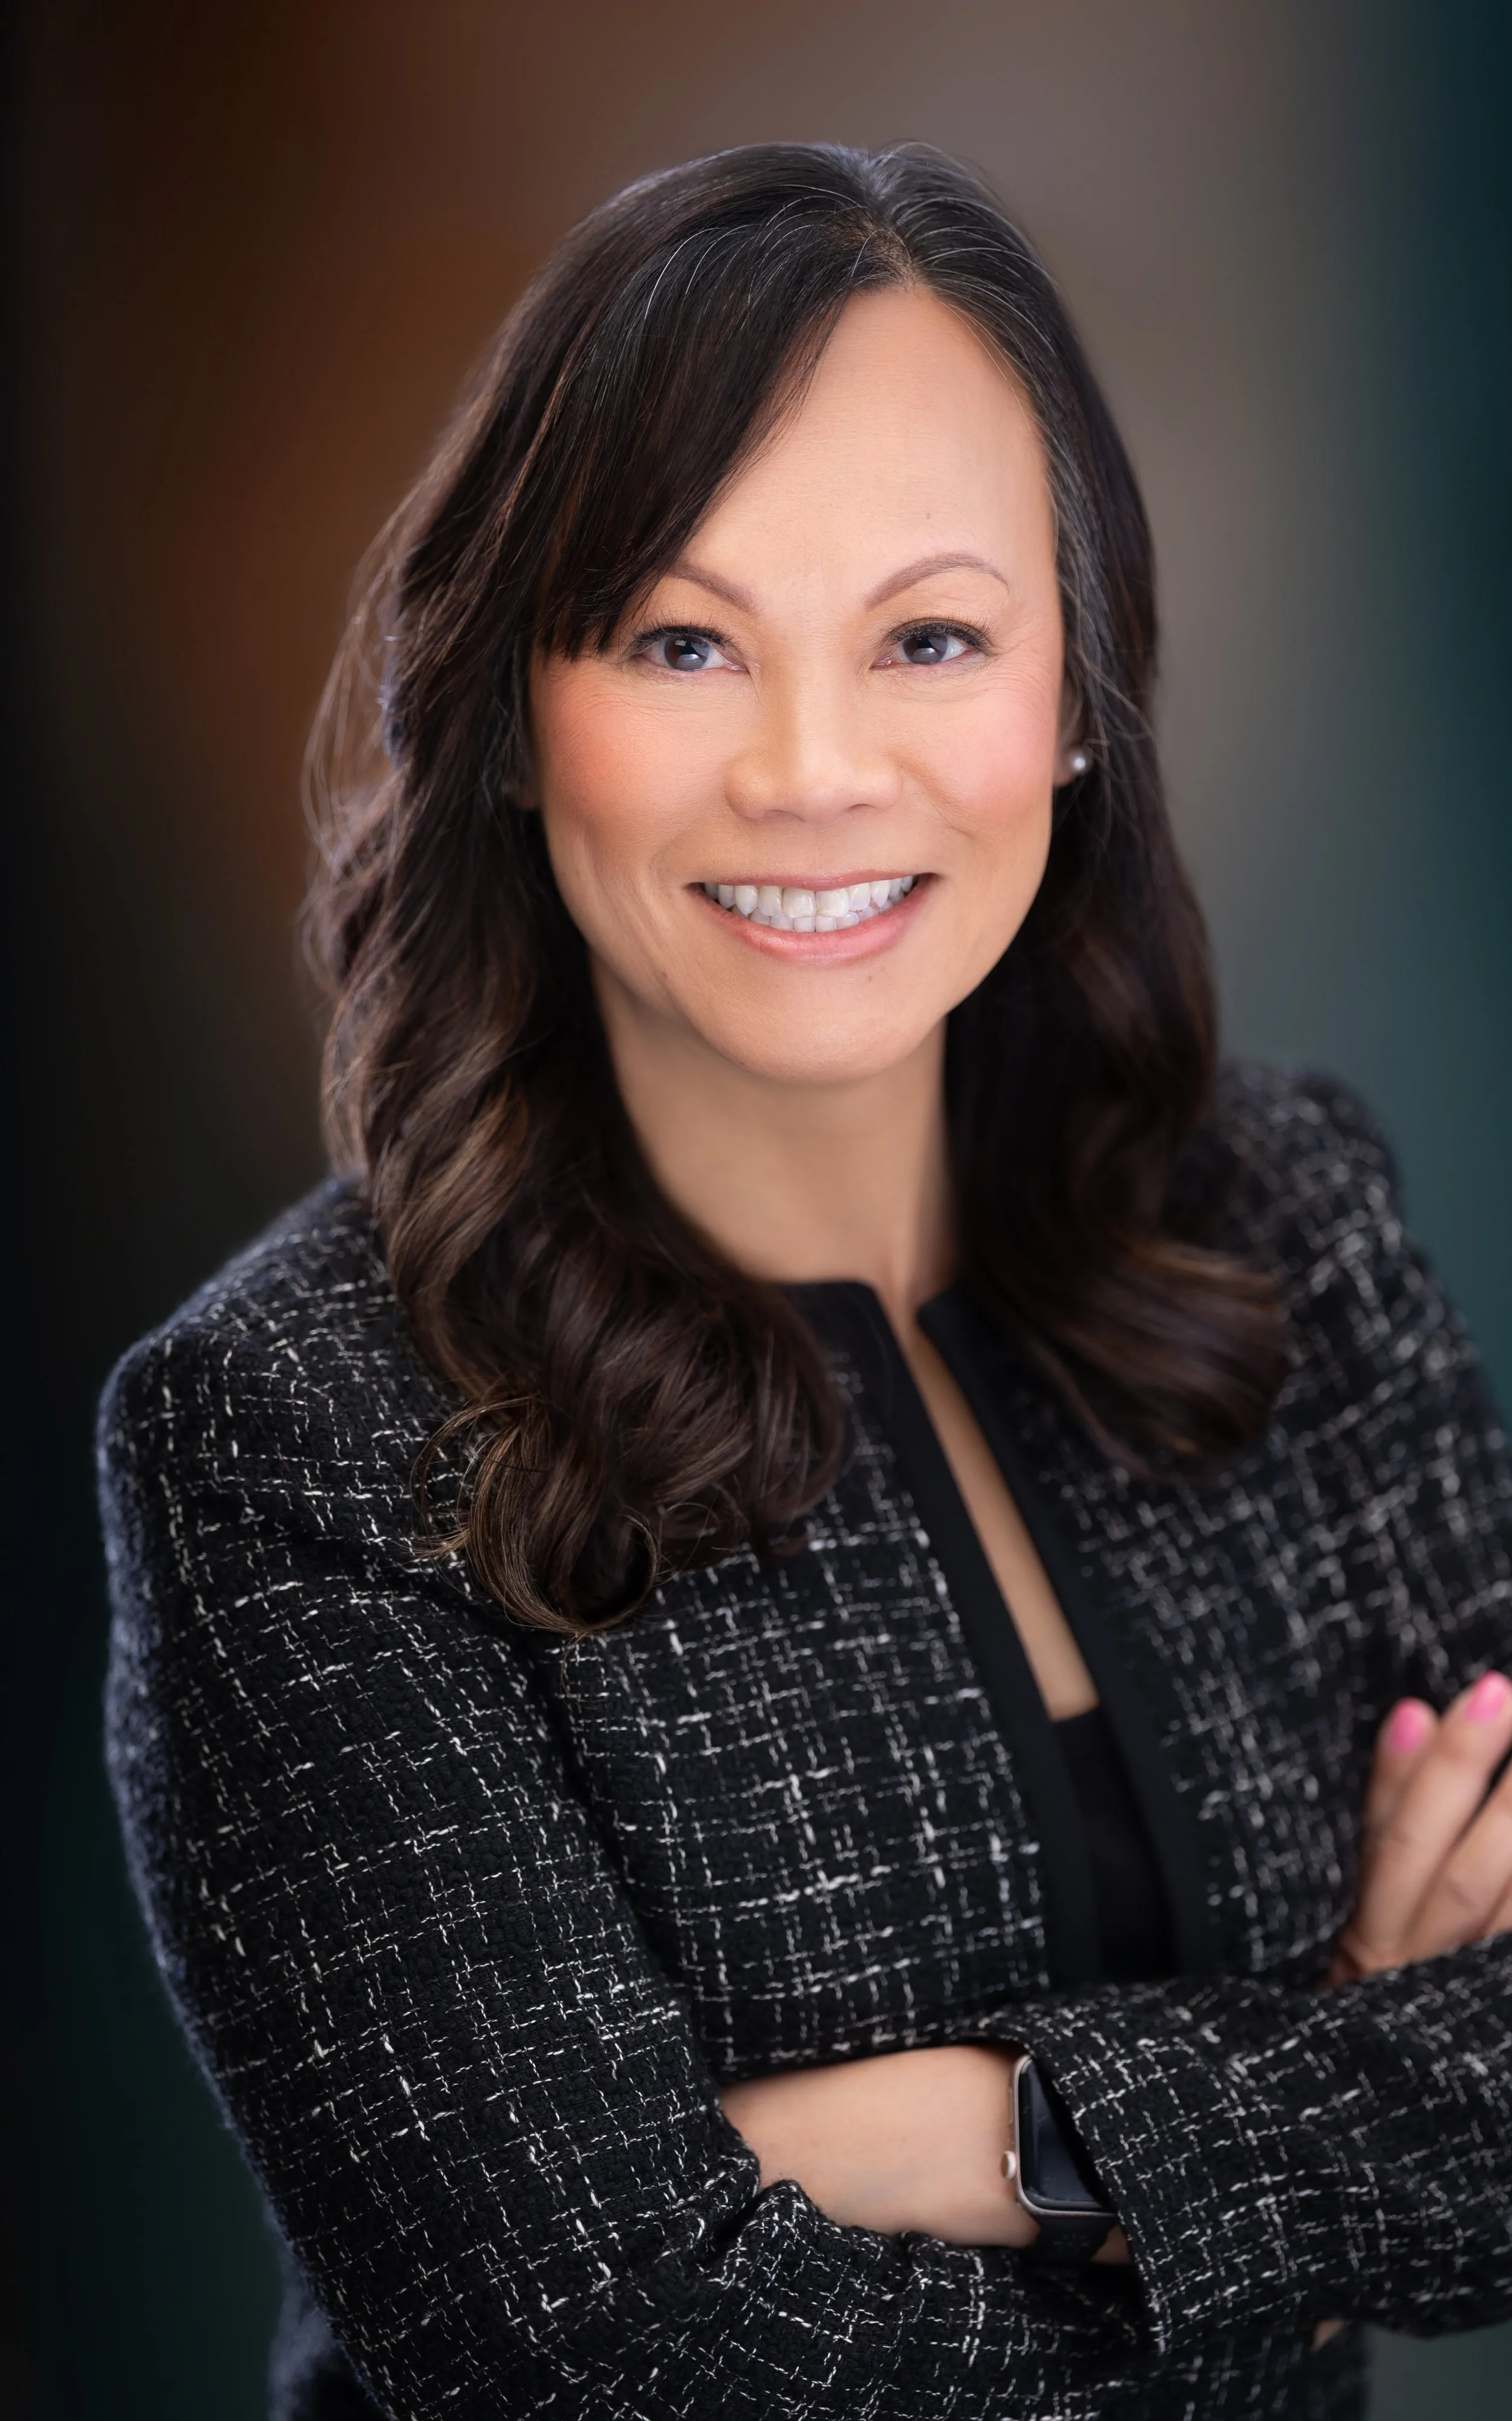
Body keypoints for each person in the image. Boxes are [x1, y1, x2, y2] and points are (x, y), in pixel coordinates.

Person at [99, 143, 1512, 2421]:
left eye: (930, 637)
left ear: (1073, 695)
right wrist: (1339, 2085)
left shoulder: (1279, 1225)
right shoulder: (295, 1437)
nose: (810, 770)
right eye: (681, 641)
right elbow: (602, 2358)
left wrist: (1020, 2142)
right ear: (510, 716)